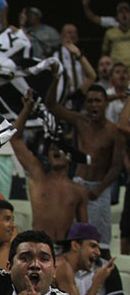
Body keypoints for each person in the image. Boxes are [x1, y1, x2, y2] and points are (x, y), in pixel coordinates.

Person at [46, 74, 125, 252]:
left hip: (99, 189)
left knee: (100, 242)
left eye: (98, 101)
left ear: (106, 103)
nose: (93, 105)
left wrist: (99, 189)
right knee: (71, 239)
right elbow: (51, 106)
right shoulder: (81, 121)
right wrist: (56, 79)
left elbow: (116, 166)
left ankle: (103, 277)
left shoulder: (114, 132)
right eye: (89, 101)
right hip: (78, 185)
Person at [11, 92, 89, 242]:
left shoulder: (79, 191)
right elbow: (15, 138)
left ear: (70, 158)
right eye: (52, 147)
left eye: (60, 148)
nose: (55, 150)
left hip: (65, 249)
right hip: (38, 245)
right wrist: (27, 109)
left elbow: (83, 232)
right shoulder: (38, 174)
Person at [102, 2, 130, 67]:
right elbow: (105, 52)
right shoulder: (109, 33)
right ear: (117, 17)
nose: (124, 14)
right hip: (116, 69)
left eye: (127, 11)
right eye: (121, 12)